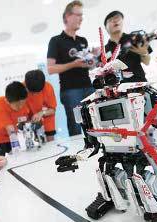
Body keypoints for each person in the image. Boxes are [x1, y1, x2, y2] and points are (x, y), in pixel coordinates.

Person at [47, 0, 94, 136]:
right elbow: (51, 68)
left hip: (88, 86)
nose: (81, 19)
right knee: (76, 126)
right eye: (78, 15)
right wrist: (73, 64)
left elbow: (87, 64)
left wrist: (92, 62)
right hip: (70, 90)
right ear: (67, 16)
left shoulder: (83, 40)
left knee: (95, 123)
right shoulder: (56, 41)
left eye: (82, 15)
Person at [104, 10, 152, 82]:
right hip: (118, 89)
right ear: (106, 27)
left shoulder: (135, 38)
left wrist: (144, 53)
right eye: (110, 20)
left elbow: (147, 62)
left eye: (118, 18)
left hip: (140, 84)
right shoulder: (104, 50)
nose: (115, 21)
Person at [0, 81, 30, 155]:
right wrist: (16, 148)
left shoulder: (22, 102)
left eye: (22, 103)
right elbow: (10, 129)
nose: (20, 107)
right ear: (7, 101)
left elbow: (26, 120)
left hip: (10, 135)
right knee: (5, 159)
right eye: (17, 105)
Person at [25, 70, 57, 141]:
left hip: (47, 121)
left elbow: (52, 110)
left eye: (38, 92)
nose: (35, 95)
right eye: (32, 92)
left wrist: (42, 113)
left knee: (51, 145)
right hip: (28, 123)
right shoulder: (21, 89)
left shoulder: (48, 87)